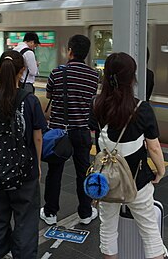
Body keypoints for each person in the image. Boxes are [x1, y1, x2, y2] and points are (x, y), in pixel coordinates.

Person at [90, 52, 167, 259]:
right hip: (137, 181)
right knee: (150, 231)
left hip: (106, 180)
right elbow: (154, 149)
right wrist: (160, 171)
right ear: (132, 78)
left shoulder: (96, 104)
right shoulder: (142, 109)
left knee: (107, 230)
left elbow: (99, 138)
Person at [0, 50, 45, 259]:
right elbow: (38, 138)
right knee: (25, 220)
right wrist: (38, 165)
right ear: (22, 71)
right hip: (25, 172)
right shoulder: (30, 100)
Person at [40, 35, 99, 226]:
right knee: (83, 172)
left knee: (54, 172)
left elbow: (49, 94)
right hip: (81, 131)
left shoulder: (57, 72)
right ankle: (85, 212)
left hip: (59, 131)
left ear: (70, 50)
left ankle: (50, 213)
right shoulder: (93, 76)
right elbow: (90, 99)